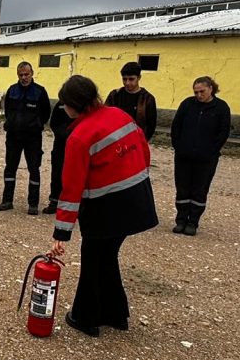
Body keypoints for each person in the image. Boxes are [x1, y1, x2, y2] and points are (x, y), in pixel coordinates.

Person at [47, 75, 158, 337]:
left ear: (74, 104)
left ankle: (85, 317)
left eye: (65, 104)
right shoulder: (119, 115)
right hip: (138, 200)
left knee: (94, 258)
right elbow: (143, 151)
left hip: (105, 208)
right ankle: (116, 314)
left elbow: (71, 188)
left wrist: (61, 233)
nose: (64, 109)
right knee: (107, 257)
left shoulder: (79, 136)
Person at [170, 76, 231, 236]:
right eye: (196, 92)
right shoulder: (187, 104)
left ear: (211, 88)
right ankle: (181, 220)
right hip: (184, 156)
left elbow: (223, 132)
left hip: (206, 159)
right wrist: (178, 146)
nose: (198, 95)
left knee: (199, 190)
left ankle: (193, 222)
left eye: (201, 91)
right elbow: (176, 126)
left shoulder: (221, 108)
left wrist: (211, 151)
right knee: (182, 189)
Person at [0, 61, 51, 215]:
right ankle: (7, 200)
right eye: (21, 75)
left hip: (32, 138)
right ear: (17, 75)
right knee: (10, 169)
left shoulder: (40, 92)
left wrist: (36, 125)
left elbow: (46, 113)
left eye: (26, 74)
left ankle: (33, 204)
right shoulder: (12, 90)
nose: (24, 77)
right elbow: (7, 110)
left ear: (32, 73)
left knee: (34, 169)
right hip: (13, 136)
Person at [105, 62, 157, 141]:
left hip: (136, 141)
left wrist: (142, 141)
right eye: (124, 79)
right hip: (115, 140)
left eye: (131, 79)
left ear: (139, 77)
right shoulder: (114, 95)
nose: (127, 83)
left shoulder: (148, 99)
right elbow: (105, 118)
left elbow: (151, 126)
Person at [42, 100, 72, 215]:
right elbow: (53, 122)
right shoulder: (61, 104)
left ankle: (74, 205)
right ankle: (54, 202)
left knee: (75, 176)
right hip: (60, 144)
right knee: (56, 173)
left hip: (77, 145)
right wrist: (62, 134)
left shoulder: (82, 104)